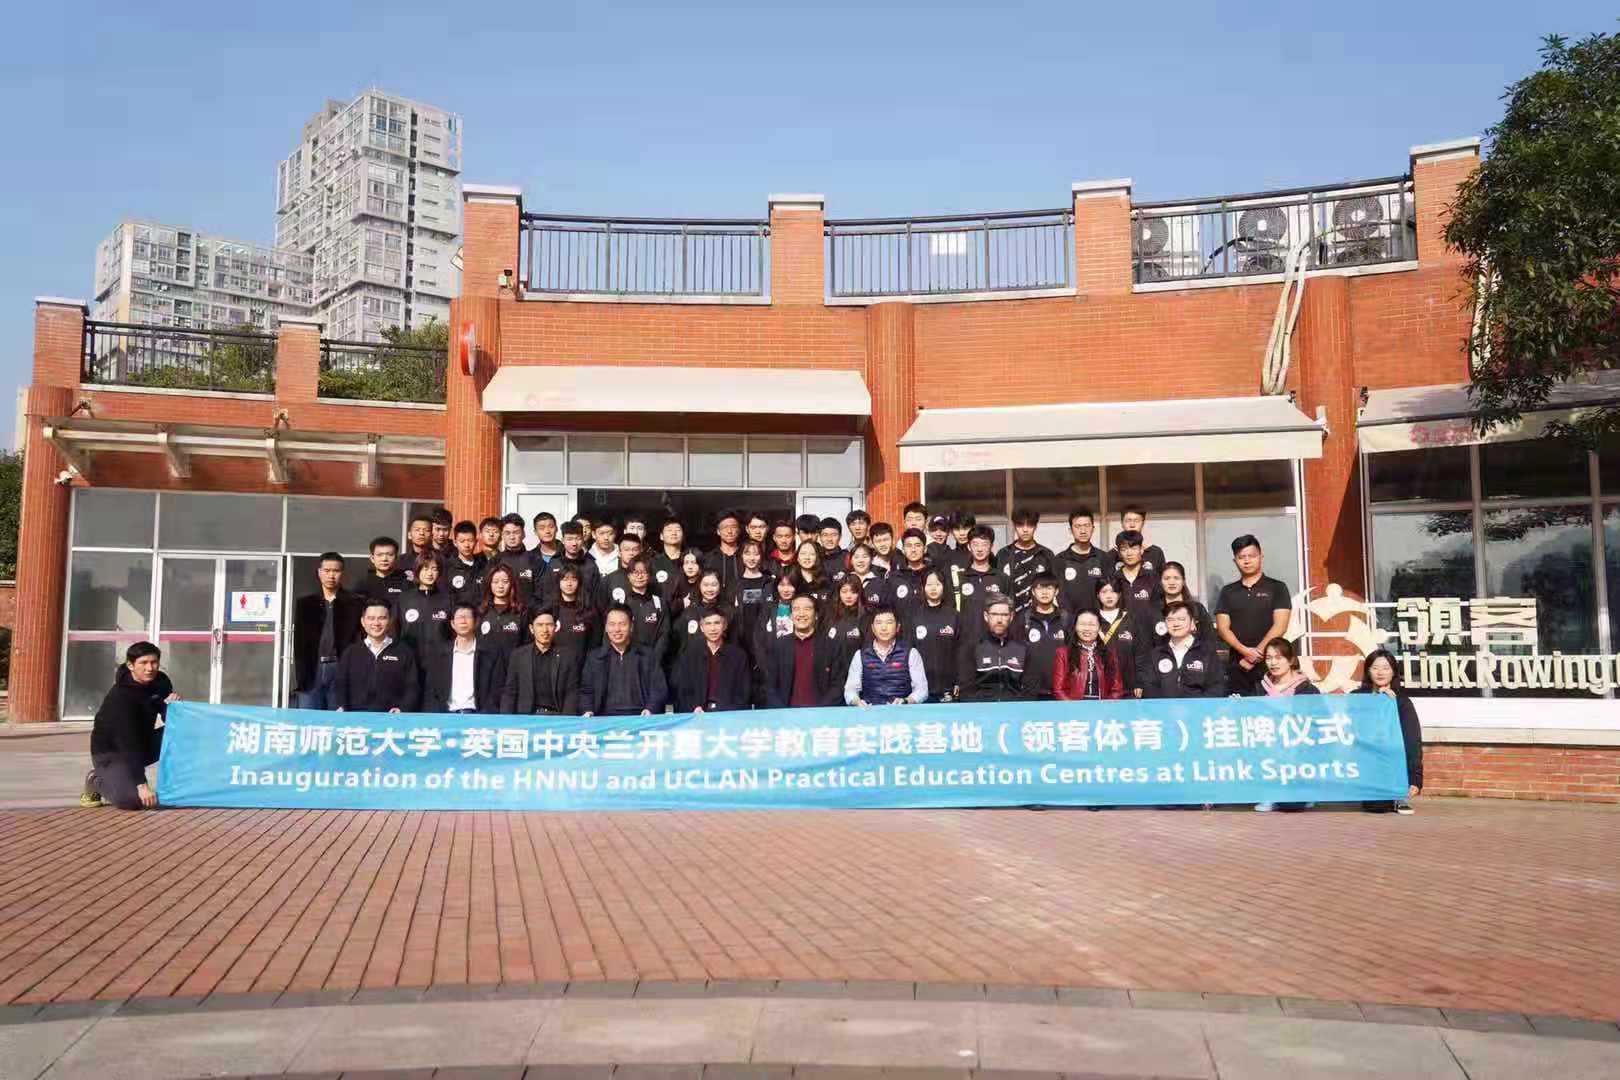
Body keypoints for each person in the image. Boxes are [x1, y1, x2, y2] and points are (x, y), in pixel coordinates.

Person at [82, 642, 176, 810]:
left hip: (142, 744)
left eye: (154, 662)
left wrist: (173, 708)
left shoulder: (161, 681)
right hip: (111, 753)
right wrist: (142, 785)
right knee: (132, 801)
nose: (150, 668)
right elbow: (127, 742)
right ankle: (95, 780)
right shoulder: (121, 696)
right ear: (131, 665)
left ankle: (179, 785)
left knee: (180, 733)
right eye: (143, 663)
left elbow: (169, 719)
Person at [1215, 534, 1292, 697]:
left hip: (1272, 665)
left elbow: (1280, 626)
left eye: (1252, 556)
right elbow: (1223, 628)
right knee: (1239, 709)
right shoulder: (1228, 592)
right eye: (1241, 557)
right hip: (1238, 665)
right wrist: (1245, 652)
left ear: (1261, 556)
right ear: (1235, 561)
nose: (1247, 561)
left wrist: (1255, 655)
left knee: (1272, 709)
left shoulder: (1277, 588)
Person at [1250, 637, 1320, 813]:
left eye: (1278, 657)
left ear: (1291, 660)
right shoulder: (1260, 687)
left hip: (1297, 752)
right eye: (1268, 658)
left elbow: (1317, 724)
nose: (1273, 663)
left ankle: (1306, 792)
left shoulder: (1308, 689)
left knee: (1291, 805)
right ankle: (1269, 793)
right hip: (1267, 748)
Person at [292, 553, 366, 710]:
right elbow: (299, 643)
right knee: (308, 718)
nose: (331, 575)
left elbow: (360, 639)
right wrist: (300, 676)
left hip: (340, 666)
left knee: (338, 718)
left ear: (342, 573)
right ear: (319, 572)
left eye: (336, 571)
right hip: (313, 669)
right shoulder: (305, 603)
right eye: (326, 570)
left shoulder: (355, 603)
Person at [1355, 647, 1423, 814]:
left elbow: (1412, 740)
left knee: (1379, 806)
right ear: (1368, 671)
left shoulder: (1402, 702)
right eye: (1375, 668)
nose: (1380, 673)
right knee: (1374, 806)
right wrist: (1376, 700)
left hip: (1392, 762)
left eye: (1386, 668)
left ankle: (1398, 796)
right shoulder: (1356, 697)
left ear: (1393, 672)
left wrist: (1415, 778)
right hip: (1365, 762)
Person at [580, 604, 669, 717]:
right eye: (612, 624)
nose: (617, 629)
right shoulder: (595, 658)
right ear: (606, 627)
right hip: (605, 718)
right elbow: (586, 691)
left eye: (622, 624)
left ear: (631, 627)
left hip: (640, 717)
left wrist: (650, 709)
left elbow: (658, 688)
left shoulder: (647, 655)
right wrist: (588, 710)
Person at [333, 600, 421, 712]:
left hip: (392, 718)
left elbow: (412, 687)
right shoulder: (350, 652)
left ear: (390, 621)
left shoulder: (404, 652)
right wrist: (341, 706)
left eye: (382, 618)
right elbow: (340, 685)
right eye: (371, 618)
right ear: (363, 621)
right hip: (356, 718)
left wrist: (403, 708)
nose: (376, 623)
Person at [424, 603, 507, 713]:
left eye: (467, 617)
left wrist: (484, 716)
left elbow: (497, 690)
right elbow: (431, 691)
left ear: (476, 622)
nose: (463, 621)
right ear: (452, 624)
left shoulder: (491, 653)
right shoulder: (439, 655)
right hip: (446, 716)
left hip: (478, 716)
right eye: (459, 617)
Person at [765, 594, 845, 708]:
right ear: (791, 616)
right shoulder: (778, 645)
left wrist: (821, 710)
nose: (801, 614)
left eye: (807, 609)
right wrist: (782, 712)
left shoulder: (831, 645)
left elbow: (838, 685)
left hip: (821, 713)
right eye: (796, 609)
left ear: (816, 615)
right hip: (786, 713)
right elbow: (770, 686)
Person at [499, 608, 581, 715]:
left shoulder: (568, 657)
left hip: (557, 717)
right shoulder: (518, 656)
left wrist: (565, 721)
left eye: (549, 625)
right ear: (531, 628)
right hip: (527, 717)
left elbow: (571, 693)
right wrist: (506, 719)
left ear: (555, 627)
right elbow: (510, 692)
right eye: (540, 625)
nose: (545, 630)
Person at [1139, 601, 1225, 698]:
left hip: (1198, 706)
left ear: (1192, 623)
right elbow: (1150, 690)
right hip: (1164, 707)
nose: (1176, 624)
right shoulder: (1156, 654)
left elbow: (1216, 688)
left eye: (1181, 619)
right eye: (1170, 620)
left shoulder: (1207, 653)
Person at [845, 606, 928, 706]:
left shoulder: (911, 653)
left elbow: (922, 690)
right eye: (879, 623)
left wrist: (906, 701)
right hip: (870, 711)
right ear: (873, 628)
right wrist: (857, 702)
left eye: (889, 622)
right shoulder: (860, 655)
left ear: (897, 627)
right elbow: (850, 690)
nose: (884, 628)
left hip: (901, 711)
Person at [957, 597, 1035, 702]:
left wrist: (1017, 709)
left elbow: (1030, 690)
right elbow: (966, 690)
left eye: (1004, 615)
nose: (999, 620)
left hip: (1015, 709)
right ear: (986, 616)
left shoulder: (1023, 649)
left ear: (1011, 617)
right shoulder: (973, 648)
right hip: (982, 709)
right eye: (994, 614)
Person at [673, 609, 752, 712]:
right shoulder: (690, 655)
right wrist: (694, 707)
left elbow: (743, 693)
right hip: (698, 714)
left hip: (729, 714)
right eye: (708, 624)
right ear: (702, 628)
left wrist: (727, 710)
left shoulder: (738, 656)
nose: (713, 628)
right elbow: (683, 689)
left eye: (717, 623)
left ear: (724, 626)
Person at [1011, 573, 1069, 700]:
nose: (1044, 592)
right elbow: (1014, 654)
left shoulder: (1065, 619)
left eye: (1049, 588)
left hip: (1060, 690)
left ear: (1056, 591)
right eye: (1040, 588)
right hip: (1030, 691)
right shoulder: (1023, 619)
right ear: (1033, 591)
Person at [908, 568, 960, 702]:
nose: (933, 588)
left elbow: (960, 650)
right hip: (920, 687)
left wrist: (959, 680)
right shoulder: (914, 616)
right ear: (923, 587)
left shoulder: (954, 615)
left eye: (937, 584)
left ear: (944, 587)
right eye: (929, 584)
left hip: (948, 686)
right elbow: (909, 650)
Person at [1052, 610, 1126, 700]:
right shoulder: (1063, 653)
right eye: (1082, 624)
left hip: (1102, 706)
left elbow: (1117, 689)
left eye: (1092, 625)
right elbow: (1058, 690)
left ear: (1099, 628)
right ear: (1075, 626)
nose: (1087, 628)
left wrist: (1106, 706)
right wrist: (1072, 707)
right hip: (1073, 706)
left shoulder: (1109, 653)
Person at [394, 553, 452, 666]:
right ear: (417, 570)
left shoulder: (448, 599)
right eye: (425, 569)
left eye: (434, 569)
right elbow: (395, 631)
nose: (430, 573)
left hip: (440, 662)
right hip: (409, 662)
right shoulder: (404, 598)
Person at [951, 525, 1013, 627]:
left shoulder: (1002, 578)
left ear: (991, 546)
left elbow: (1009, 611)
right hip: (966, 636)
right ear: (969, 547)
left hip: (995, 636)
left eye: (984, 544)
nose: (979, 549)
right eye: (975, 544)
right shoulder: (959, 578)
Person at [1094, 580, 1146, 698]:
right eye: (1104, 592)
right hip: (1099, 687)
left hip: (1128, 687)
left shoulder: (1131, 619)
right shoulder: (1092, 619)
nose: (1109, 596)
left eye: (1113, 591)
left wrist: (1139, 682)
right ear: (1097, 595)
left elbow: (1140, 653)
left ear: (1119, 594)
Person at [1054, 507, 1109, 615]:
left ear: (1093, 528)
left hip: (1097, 620)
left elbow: (1110, 591)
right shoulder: (1059, 560)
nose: (1083, 531)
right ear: (1071, 530)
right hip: (1068, 621)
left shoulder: (1103, 558)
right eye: (1078, 526)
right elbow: (1054, 592)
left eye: (1086, 526)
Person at [997, 508, 1054, 612]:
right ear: (1014, 526)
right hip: (1010, 615)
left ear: (1035, 527)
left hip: (1039, 615)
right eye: (1020, 525)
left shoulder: (1046, 554)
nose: (1025, 530)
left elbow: (1054, 587)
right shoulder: (1004, 554)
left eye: (1030, 525)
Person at [1150, 561, 1213, 647]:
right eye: (1167, 578)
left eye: (1176, 578)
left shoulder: (1197, 609)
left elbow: (1209, 641)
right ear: (1160, 582)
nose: (1171, 582)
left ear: (1183, 581)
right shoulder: (1152, 611)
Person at [882, 528, 932, 624]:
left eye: (917, 545)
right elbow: (888, 610)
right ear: (903, 550)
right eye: (909, 546)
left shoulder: (934, 575)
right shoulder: (894, 578)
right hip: (904, 631)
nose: (913, 550)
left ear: (925, 549)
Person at [551, 566, 599, 665]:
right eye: (565, 579)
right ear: (558, 582)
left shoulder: (589, 611)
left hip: (582, 665)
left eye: (574, 579)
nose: (569, 584)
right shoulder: (551, 610)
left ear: (579, 582)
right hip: (555, 666)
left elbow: (595, 643)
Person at [477, 565, 528, 656]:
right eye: (495, 582)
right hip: (486, 663)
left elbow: (526, 644)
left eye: (505, 582)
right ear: (489, 584)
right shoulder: (482, 611)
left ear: (511, 584)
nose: (500, 586)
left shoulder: (521, 611)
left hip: (513, 663)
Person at [1112, 530, 1159, 626]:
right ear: (1119, 553)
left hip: (1147, 632)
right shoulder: (1113, 579)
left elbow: (1159, 611)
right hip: (1120, 632)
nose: (1129, 553)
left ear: (1141, 550)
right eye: (1124, 549)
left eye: (1134, 548)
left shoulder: (1153, 578)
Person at [494, 513, 539, 602]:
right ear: (502, 535)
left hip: (529, 610)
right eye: (507, 533)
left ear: (523, 534)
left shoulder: (535, 560)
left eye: (516, 532)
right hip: (502, 609)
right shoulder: (495, 561)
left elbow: (542, 592)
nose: (512, 537)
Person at [445, 520, 488, 609]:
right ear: (455, 542)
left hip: (481, 615)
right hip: (458, 615)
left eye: (470, 540)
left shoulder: (484, 565)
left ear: (476, 541)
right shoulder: (447, 567)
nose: (467, 545)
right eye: (462, 541)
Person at [826, 578, 866, 670]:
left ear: (859, 593)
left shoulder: (866, 617)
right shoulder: (830, 614)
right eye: (844, 592)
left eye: (853, 592)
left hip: (857, 670)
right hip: (833, 671)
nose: (848, 596)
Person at [357, 536, 408, 604]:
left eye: (390, 555)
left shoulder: (406, 584)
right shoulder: (362, 584)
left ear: (396, 558)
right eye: (379, 555)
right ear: (372, 558)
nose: (384, 559)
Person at [649, 518, 689, 605]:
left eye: (678, 530)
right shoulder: (653, 562)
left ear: (683, 535)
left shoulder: (691, 560)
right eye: (669, 530)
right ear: (661, 536)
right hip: (662, 609)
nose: (674, 533)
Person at [1118, 506, 1167, 576]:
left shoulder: (1156, 552)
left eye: (1136, 521)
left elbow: (1163, 579)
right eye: (1128, 520)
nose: (1132, 525)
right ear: (1122, 523)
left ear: (1143, 523)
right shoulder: (1112, 555)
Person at [704, 509, 744, 593]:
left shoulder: (747, 556)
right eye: (725, 527)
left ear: (739, 530)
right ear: (718, 531)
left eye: (733, 527)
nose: (729, 531)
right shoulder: (708, 558)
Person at [788, 539, 833, 610]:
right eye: (803, 553)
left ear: (817, 557)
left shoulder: (826, 580)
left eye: (812, 554)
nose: (807, 557)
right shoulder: (790, 579)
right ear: (797, 557)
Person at [398, 512, 435, 580]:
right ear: (409, 535)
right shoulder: (400, 561)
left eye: (426, 530)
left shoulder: (439, 560)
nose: (421, 533)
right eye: (417, 530)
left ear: (432, 536)